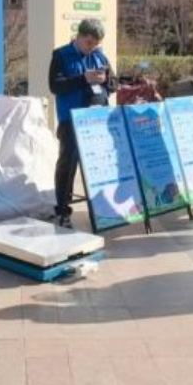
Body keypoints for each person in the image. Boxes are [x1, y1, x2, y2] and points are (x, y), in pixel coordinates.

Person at [49, 19, 118, 229]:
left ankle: (103, 208)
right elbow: (55, 86)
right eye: (88, 42)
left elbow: (114, 84)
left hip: (97, 120)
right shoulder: (61, 55)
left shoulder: (99, 56)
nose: (91, 47)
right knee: (68, 165)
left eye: (95, 44)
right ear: (79, 36)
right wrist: (83, 79)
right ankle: (63, 210)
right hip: (71, 120)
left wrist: (106, 80)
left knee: (100, 165)